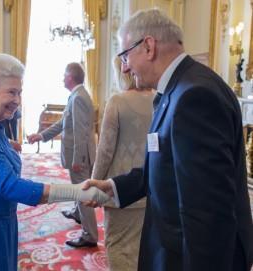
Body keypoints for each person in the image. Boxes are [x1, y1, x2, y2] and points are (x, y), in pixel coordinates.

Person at [84, 8, 253, 271]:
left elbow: (208, 212)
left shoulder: (194, 96)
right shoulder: (176, 89)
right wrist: (114, 186)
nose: (125, 67)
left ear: (149, 46)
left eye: (125, 55)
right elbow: (165, 165)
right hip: (173, 246)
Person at [0, 53, 109, 271]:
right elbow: (11, 186)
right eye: (11, 92)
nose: (17, 100)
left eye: (20, 92)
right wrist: (77, 192)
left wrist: (8, 143)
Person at [91, 56, 154, 271]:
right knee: (141, 248)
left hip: (118, 189)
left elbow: (105, 150)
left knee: (117, 246)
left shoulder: (117, 101)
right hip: (148, 186)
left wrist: (94, 183)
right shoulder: (158, 99)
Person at [27, 62, 98, 248]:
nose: (62, 78)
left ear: (70, 77)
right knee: (79, 188)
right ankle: (77, 212)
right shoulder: (75, 96)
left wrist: (78, 159)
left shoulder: (79, 97)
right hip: (78, 154)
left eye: (64, 75)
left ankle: (90, 235)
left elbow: (81, 132)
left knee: (83, 193)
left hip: (80, 156)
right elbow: (62, 124)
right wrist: (41, 135)